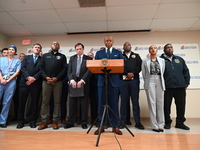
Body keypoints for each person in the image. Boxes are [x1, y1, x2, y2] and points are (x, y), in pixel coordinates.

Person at [94, 35, 123, 135]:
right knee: (101, 105)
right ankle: (101, 126)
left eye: (110, 40)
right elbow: (95, 66)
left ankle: (116, 126)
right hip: (102, 82)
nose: (108, 42)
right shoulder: (99, 53)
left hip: (114, 83)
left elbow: (121, 66)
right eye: (107, 41)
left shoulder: (118, 53)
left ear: (113, 41)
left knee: (114, 104)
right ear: (104, 42)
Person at [160, 43, 190, 130]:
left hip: (180, 87)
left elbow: (186, 71)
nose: (169, 49)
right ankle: (167, 122)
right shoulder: (161, 60)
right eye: (167, 48)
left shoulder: (179, 59)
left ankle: (180, 123)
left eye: (171, 47)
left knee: (181, 106)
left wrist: (186, 82)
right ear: (164, 50)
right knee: (166, 106)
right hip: (167, 87)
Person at [38, 41, 66, 130]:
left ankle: (55, 121)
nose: (55, 45)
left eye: (57, 44)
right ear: (51, 46)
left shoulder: (62, 56)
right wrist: (46, 77)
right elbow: (41, 68)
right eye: (54, 44)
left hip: (58, 82)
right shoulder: (45, 56)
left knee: (57, 101)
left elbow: (64, 69)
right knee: (45, 101)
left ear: (59, 46)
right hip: (46, 81)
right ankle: (44, 121)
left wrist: (56, 78)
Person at [64, 43, 92, 129]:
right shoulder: (72, 58)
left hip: (84, 83)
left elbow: (89, 71)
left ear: (83, 49)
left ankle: (83, 121)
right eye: (77, 49)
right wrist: (72, 80)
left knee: (84, 103)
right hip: (73, 83)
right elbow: (69, 71)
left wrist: (82, 80)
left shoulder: (88, 58)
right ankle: (71, 121)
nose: (78, 50)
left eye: (80, 49)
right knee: (72, 103)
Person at [17, 43, 43, 129]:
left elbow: (41, 71)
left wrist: (33, 78)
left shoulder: (42, 59)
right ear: (32, 49)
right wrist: (28, 77)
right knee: (22, 103)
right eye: (35, 47)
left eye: (39, 48)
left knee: (34, 103)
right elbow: (23, 68)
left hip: (35, 84)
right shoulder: (26, 57)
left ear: (40, 50)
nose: (37, 49)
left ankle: (32, 121)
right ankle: (20, 121)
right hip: (24, 83)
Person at [120, 42, 144, 130]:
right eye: (125, 45)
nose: (127, 46)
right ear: (123, 47)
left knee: (135, 102)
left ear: (131, 47)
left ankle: (138, 122)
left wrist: (133, 74)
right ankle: (123, 122)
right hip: (123, 81)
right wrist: (126, 74)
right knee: (123, 102)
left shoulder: (136, 56)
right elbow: (119, 67)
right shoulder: (120, 56)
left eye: (128, 45)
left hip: (134, 81)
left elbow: (140, 66)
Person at [142, 45, 165, 132]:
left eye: (155, 48)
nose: (153, 49)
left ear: (157, 50)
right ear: (149, 51)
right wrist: (148, 80)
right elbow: (144, 74)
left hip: (159, 80)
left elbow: (163, 72)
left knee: (160, 103)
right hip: (150, 80)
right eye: (151, 48)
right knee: (152, 103)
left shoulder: (162, 60)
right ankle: (154, 125)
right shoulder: (145, 60)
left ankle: (161, 124)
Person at [0, 45, 21, 128]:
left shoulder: (17, 61)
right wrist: (1, 79)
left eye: (13, 50)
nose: (11, 51)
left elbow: (17, 72)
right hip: (1, 80)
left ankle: (2, 121)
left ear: (15, 52)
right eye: (9, 49)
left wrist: (9, 80)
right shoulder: (1, 59)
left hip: (11, 81)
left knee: (7, 102)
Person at [12, 53, 26, 121]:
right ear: (18, 57)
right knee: (15, 101)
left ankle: (21, 117)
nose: (22, 57)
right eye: (20, 56)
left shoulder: (25, 65)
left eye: (23, 56)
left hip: (22, 85)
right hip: (13, 84)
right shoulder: (15, 64)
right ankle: (16, 116)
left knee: (21, 102)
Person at [87, 52, 98, 124]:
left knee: (96, 103)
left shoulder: (96, 64)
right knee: (89, 104)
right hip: (87, 86)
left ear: (93, 56)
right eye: (88, 56)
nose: (90, 57)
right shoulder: (85, 64)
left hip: (96, 86)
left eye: (91, 55)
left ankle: (96, 119)